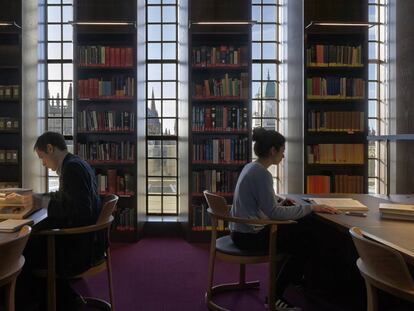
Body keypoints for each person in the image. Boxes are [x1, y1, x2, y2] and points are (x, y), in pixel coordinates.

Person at [230, 127, 339, 311]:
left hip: (241, 231)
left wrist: (287, 206)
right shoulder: (262, 173)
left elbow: (266, 205)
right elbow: (274, 213)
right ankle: (275, 296)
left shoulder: (251, 167)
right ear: (273, 150)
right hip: (249, 236)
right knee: (306, 241)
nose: (283, 156)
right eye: (282, 151)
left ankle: (296, 279)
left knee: (303, 231)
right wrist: (311, 207)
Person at [17, 131, 106, 311]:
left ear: (50, 148)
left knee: (22, 254)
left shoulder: (71, 168)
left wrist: (41, 202)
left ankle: (31, 303)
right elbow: (67, 198)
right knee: (30, 246)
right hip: (89, 242)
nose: (43, 163)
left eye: (42, 157)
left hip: (79, 249)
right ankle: (65, 300)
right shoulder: (77, 163)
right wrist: (39, 198)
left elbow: (80, 211)